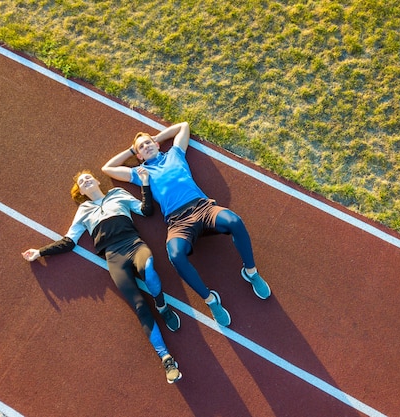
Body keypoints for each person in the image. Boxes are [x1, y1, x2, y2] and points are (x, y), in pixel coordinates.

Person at [101, 121, 271, 327]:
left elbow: (183, 126)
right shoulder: (140, 173)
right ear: (139, 156)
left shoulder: (175, 154)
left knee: (235, 221)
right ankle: (211, 300)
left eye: (148, 142)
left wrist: (157, 138)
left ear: (155, 143)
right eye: (141, 148)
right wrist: (131, 149)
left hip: (203, 208)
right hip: (177, 222)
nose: (146, 147)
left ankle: (250, 272)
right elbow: (107, 168)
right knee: (175, 255)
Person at [21, 168, 182, 384]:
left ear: (97, 181)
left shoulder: (117, 194)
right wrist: (40, 251)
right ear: (81, 192)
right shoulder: (83, 211)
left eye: (88, 177)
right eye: (81, 182)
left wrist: (144, 182)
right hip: (114, 258)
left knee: (149, 267)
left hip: (133, 245)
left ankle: (162, 306)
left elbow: (145, 210)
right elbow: (70, 241)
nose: (85, 180)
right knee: (139, 306)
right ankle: (166, 358)